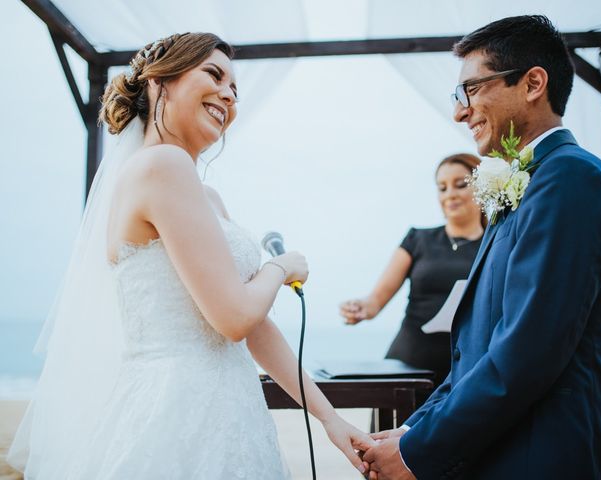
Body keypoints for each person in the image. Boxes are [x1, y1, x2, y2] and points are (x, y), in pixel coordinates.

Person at [8, 32, 373, 479]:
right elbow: (234, 318)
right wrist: (281, 267)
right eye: (214, 74)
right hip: (177, 413)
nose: (228, 94)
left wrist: (329, 418)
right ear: (160, 83)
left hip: (230, 410)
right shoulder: (163, 165)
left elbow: (253, 328)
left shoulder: (207, 197)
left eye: (235, 89)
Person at [362, 15, 601, 480]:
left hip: (542, 458)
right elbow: (477, 352)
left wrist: (418, 452)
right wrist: (411, 430)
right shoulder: (525, 185)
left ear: (532, 83)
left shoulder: (570, 178)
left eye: (471, 90)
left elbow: (528, 351)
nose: (460, 112)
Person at [340, 153, 485, 387]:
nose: (450, 195)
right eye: (442, 188)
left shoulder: (496, 244)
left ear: (483, 187)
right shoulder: (417, 239)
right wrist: (359, 308)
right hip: (410, 363)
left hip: (467, 371)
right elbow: (375, 301)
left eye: (460, 185)